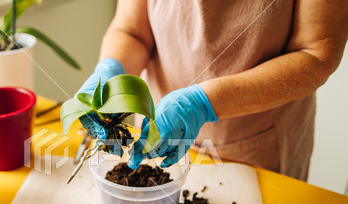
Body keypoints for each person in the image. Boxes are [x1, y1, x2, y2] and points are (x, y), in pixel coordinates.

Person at [77, 0, 348, 180]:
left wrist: (202, 103)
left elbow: (317, 53)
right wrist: (111, 75)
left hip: (256, 142)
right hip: (155, 126)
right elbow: (132, 29)